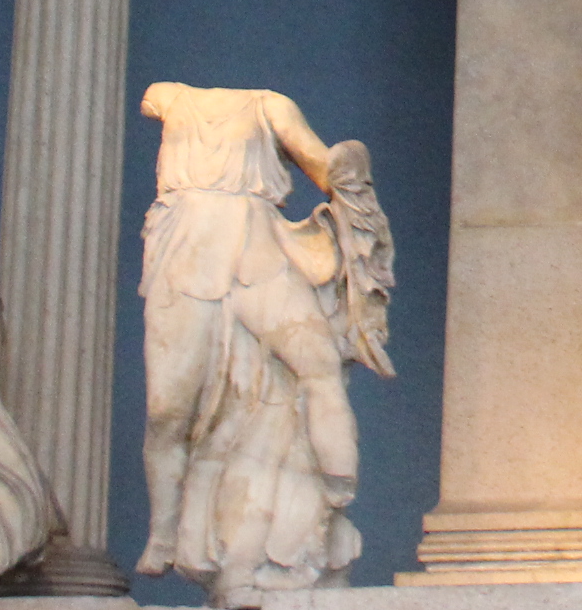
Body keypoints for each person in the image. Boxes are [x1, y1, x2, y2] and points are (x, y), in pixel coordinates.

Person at [136, 82, 393, 607]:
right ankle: (163, 531)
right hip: (184, 252)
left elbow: (326, 171)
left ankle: (337, 472)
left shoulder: (272, 106)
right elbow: (151, 101)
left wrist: (352, 175)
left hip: (255, 245)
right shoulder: (165, 95)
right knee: (167, 409)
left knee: (316, 362)